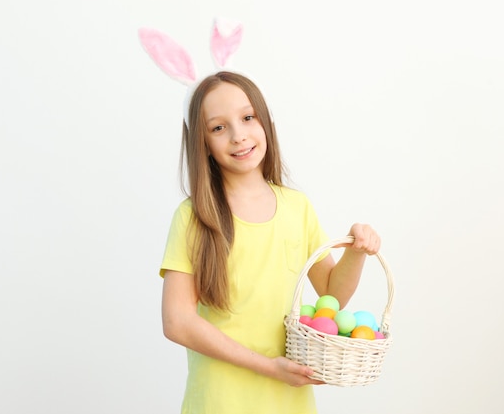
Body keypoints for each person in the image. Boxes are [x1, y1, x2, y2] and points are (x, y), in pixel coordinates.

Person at [160, 71, 381, 414]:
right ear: (202, 143)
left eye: (248, 118)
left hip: (289, 401)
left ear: (265, 121)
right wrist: (269, 367)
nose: (238, 136)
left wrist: (357, 253)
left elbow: (331, 295)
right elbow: (177, 321)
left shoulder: (297, 207)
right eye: (218, 127)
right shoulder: (194, 216)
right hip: (220, 402)